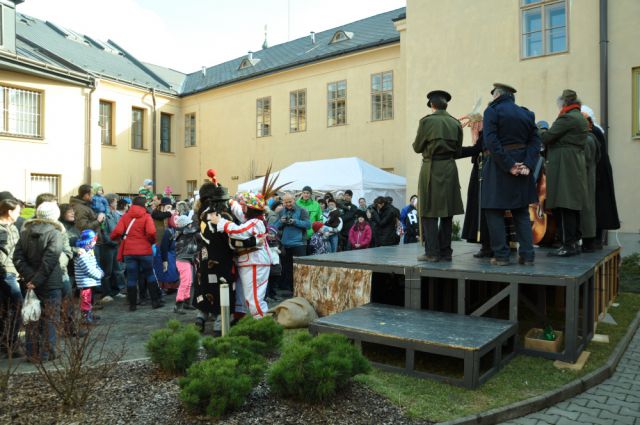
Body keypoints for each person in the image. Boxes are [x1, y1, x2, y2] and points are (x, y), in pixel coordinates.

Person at [482, 83, 540, 265]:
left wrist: (509, 165)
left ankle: (501, 256)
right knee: (521, 211)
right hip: (522, 166)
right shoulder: (526, 113)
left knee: (494, 210)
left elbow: (491, 141)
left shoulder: (492, 111)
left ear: (497, 95)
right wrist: (528, 164)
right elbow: (535, 141)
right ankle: (527, 255)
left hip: (499, 166)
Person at [412, 90, 464, 261]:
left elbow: (417, 147)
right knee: (447, 212)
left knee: (429, 212)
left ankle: (432, 253)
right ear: (445, 105)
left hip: (431, 168)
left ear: (432, 105)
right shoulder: (455, 123)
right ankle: (446, 252)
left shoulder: (426, 122)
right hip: (449, 168)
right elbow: (458, 151)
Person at [13, 201, 65, 362]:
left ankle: (32, 353)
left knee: (32, 317)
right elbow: (50, 260)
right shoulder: (55, 233)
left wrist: (31, 279)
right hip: (50, 283)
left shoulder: (25, 232)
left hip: (30, 283)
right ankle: (47, 353)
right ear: (54, 216)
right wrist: (35, 280)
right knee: (51, 318)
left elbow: (17, 258)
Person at [210, 192, 273, 319]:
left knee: (254, 298)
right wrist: (230, 201)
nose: (242, 207)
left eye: (245, 205)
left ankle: (263, 324)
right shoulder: (253, 220)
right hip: (251, 262)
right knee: (246, 296)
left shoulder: (255, 222)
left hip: (255, 262)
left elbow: (239, 231)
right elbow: (239, 211)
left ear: (251, 208)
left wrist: (221, 221)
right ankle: (252, 319)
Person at [541, 89, 589, 257]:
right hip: (573, 162)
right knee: (572, 205)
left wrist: (539, 130)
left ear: (564, 102)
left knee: (563, 204)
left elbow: (547, 137)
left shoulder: (567, 118)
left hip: (563, 164)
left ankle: (567, 245)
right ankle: (573, 243)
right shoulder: (579, 117)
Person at [192, 172, 236, 333]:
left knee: (204, 286)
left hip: (204, 257)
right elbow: (232, 239)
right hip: (221, 259)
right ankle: (219, 325)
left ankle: (200, 317)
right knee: (222, 288)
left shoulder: (202, 213)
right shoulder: (224, 216)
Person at [110, 196, 163, 310]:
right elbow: (151, 232)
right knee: (149, 274)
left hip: (129, 251)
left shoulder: (125, 216)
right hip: (145, 251)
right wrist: (151, 241)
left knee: (131, 277)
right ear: (143, 205)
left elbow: (117, 232)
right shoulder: (147, 216)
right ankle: (155, 302)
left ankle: (132, 305)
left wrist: (117, 240)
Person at [581, 105, 620, 248]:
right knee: (598, 207)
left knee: (597, 208)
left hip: (597, 175)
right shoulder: (596, 131)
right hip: (599, 173)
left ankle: (595, 240)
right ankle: (596, 240)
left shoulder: (593, 132)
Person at [457, 113, 492, 257]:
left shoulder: (485, 134)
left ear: (477, 123)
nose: (471, 129)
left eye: (472, 126)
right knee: (478, 208)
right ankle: (486, 245)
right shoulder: (485, 134)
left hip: (483, 176)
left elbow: (476, 149)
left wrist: (456, 152)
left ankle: (487, 246)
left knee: (481, 209)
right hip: (479, 174)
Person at [0, 197, 23, 357]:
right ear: (9, 211)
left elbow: (17, 250)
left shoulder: (13, 227)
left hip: (14, 272)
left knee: (10, 308)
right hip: (5, 273)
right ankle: (10, 344)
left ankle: (7, 342)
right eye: (18, 211)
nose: (19, 215)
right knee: (17, 306)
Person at [274, 193, 310, 292]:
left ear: (294, 200)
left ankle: (301, 289)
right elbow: (274, 226)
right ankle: (291, 290)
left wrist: (295, 221)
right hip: (286, 244)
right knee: (287, 269)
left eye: (290, 202)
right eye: (286, 202)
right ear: (283, 202)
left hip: (299, 244)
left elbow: (308, 225)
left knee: (300, 268)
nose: (288, 204)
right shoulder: (281, 211)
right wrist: (281, 221)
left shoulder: (302, 210)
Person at [579, 112, 601, 252]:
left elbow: (584, 162)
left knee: (586, 210)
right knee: (589, 209)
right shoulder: (592, 138)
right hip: (589, 178)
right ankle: (589, 242)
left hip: (585, 179)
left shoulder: (587, 140)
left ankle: (588, 242)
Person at [99, 194, 126, 301]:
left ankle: (116, 291)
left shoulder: (116, 214)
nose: (117, 203)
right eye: (115, 201)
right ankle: (106, 293)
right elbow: (103, 232)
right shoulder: (104, 215)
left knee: (117, 269)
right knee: (107, 271)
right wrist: (111, 242)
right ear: (110, 203)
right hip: (107, 246)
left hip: (117, 245)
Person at [74, 230, 103, 325]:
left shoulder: (90, 251)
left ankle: (89, 315)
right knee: (85, 300)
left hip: (90, 281)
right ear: (87, 241)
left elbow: (95, 264)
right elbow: (87, 269)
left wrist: (100, 271)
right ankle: (85, 318)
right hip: (85, 282)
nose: (95, 242)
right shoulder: (81, 254)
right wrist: (98, 275)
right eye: (93, 240)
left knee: (90, 299)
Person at [173, 215, 198, 314]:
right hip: (182, 259)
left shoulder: (185, 232)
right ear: (185, 225)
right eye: (189, 224)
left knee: (189, 281)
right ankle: (178, 305)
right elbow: (193, 230)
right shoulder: (184, 232)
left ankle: (187, 302)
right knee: (185, 282)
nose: (191, 225)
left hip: (187, 259)